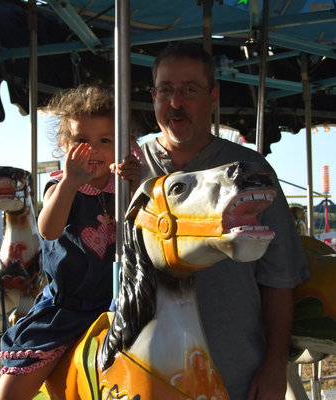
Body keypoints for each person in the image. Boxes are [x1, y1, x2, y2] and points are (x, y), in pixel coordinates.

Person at [140, 42, 310, 400]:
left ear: (212, 96)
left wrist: (275, 363)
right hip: (144, 369)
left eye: (189, 90)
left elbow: (278, 277)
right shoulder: (129, 169)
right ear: (153, 95)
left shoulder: (251, 172)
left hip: (234, 367)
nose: (175, 103)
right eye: (166, 90)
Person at [0, 85, 142, 400]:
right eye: (81, 141)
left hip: (120, 306)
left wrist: (138, 181)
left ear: (122, 146)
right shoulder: (60, 186)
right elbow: (48, 229)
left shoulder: (125, 187)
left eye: (105, 141)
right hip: (67, 309)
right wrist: (71, 184)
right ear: (64, 145)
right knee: (12, 390)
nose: (94, 150)